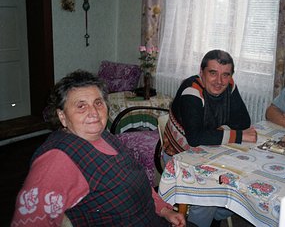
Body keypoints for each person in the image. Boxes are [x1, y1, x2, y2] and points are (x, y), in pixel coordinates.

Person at [11, 70, 188, 227]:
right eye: (81, 106)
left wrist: (164, 210)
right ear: (62, 116)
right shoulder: (57, 160)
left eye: (98, 103)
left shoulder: (104, 136)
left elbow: (136, 180)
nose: (94, 112)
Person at [162, 50, 257, 227]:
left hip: (212, 151)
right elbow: (195, 138)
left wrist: (223, 131)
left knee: (242, 187)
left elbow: (243, 120)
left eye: (225, 75)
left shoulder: (229, 86)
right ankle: (203, 218)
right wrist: (238, 135)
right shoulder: (191, 90)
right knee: (206, 200)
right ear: (201, 72)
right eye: (213, 73)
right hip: (179, 156)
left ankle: (214, 217)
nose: (219, 81)